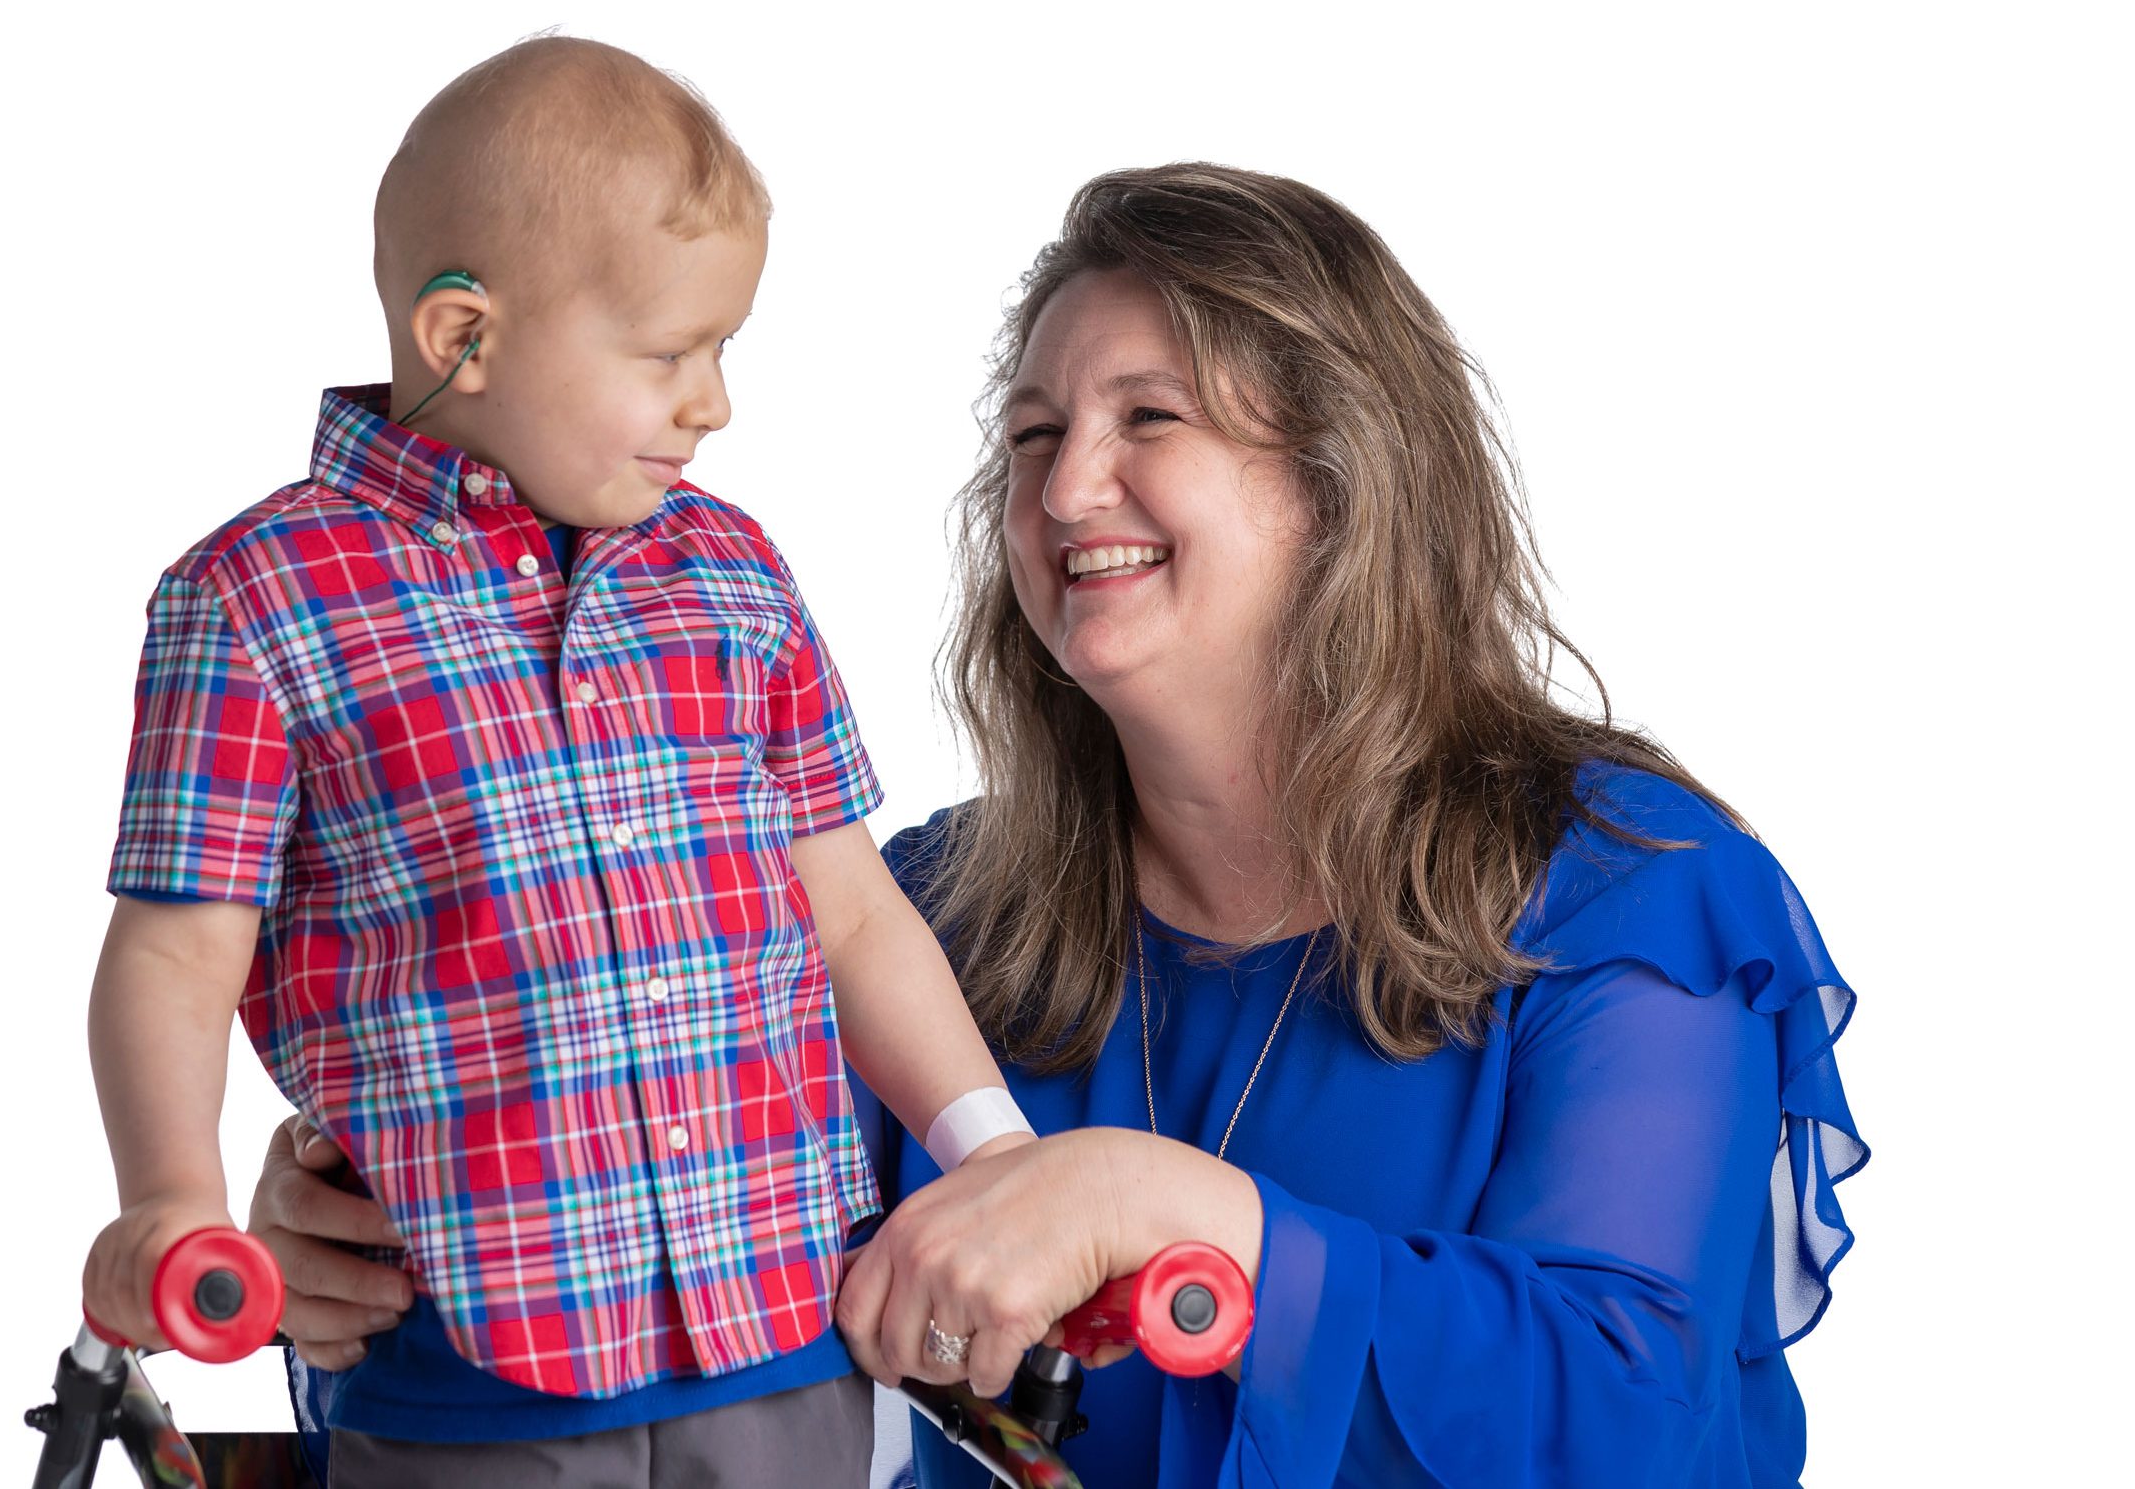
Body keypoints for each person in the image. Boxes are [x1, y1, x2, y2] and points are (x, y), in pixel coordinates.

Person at [252, 163, 1866, 1488]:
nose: (1064, 486)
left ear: (1341, 482)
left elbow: (1635, 1415)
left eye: (1147, 420)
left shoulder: (1628, 890)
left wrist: (1167, 1204)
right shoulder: (923, 916)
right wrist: (380, 1265)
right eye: (1032, 438)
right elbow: (649, 1351)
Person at [79, 38, 1032, 1489]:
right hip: (471, 1371)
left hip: (780, 1334)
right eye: (666, 355)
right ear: (463, 333)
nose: (712, 401)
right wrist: (171, 1196)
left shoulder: (733, 573)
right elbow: (172, 954)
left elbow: (846, 911)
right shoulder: (256, 600)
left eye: (724, 349)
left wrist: (989, 1148)